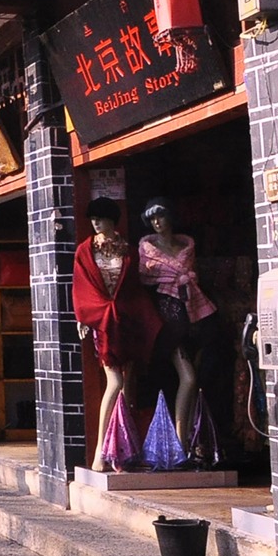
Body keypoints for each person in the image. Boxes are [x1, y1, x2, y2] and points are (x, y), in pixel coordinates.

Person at [73, 197, 163, 472]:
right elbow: (81, 286)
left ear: (112, 220)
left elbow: (134, 287)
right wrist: (84, 316)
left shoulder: (128, 250)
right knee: (115, 380)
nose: (96, 223)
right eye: (93, 219)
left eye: (100, 218)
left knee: (128, 384)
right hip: (102, 321)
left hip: (126, 320)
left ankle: (123, 448)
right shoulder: (86, 251)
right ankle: (101, 449)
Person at [137, 198, 211, 458]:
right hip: (167, 319)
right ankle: (180, 442)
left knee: (194, 379)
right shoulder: (147, 251)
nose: (157, 222)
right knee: (188, 377)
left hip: (193, 313)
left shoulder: (186, 247)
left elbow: (195, 279)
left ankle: (188, 440)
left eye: (161, 216)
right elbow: (144, 282)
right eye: (152, 218)